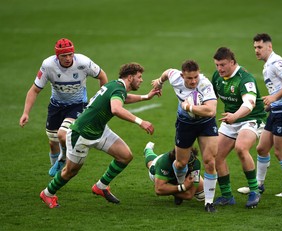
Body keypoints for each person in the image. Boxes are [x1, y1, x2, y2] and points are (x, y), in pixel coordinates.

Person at [40, 62, 160, 208]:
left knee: (125, 156)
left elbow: (123, 98)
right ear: (130, 77)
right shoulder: (118, 88)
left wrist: (146, 97)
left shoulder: (115, 86)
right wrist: (140, 121)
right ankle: (47, 193)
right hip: (81, 134)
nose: (141, 80)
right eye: (139, 77)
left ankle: (101, 187)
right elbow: (116, 109)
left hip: (100, 130)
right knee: (70, 172)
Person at [19, 38, 108, 177]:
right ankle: (57, 172)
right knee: (52, 142)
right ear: (57, 56)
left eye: (70, 54)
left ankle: (63, 158)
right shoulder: (48, 66)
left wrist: (100, 99)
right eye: (63, 55)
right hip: (56, 106)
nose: (68, 58)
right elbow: (34, 90)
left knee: (62, 134)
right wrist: (25, 113)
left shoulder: (84, 63)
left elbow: (102, 76)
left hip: (77, 105)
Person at [151, 60, 218, 213]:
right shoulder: (176, 77)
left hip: (206, 123)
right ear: (182, 76)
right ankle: (180, 191)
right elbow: (168, 72)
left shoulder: (205, 85)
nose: (193, 81)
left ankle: (209, 202)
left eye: (196, 77)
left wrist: (189, 107)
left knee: (209, 161)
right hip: (185, 124)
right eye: (189, 78)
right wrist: (159, 82)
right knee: (181, 163)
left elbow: (211, 111)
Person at [211, 47, 266, 208]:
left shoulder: (245, 79)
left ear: (232, 62)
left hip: (251, 118)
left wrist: (235, 116)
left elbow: (249, 103)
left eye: (223, 65)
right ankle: (227, 195)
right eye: (217, 65)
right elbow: (210, 98)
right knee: (216, 155)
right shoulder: (217, 77)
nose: (219, 69)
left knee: (241, 148)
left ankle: (254, 191)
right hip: (230, 120)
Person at [251, 33, 282, 197]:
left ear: (269, 46)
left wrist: (274, 97)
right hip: (276, 111)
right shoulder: (267, 65)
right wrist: (268, 105)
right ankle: (258, 185)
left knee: (281, 153)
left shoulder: (275, 62)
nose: (257, 51)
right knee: (262, 148)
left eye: (259, 47)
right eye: (255, 48)